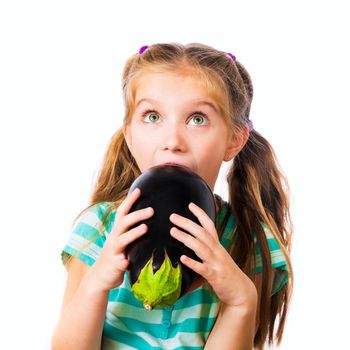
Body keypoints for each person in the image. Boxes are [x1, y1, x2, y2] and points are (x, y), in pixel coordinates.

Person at [52, 42, 293, 350]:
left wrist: (240, 303)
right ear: (128, 133)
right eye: (152, 116)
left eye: (197, 119)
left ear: (234, 139)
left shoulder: (248, 240)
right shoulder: (98, 229)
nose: (172, 141)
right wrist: (97, 282)